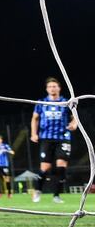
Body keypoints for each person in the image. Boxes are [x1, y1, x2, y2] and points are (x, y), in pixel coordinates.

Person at [31, 76, 77, 204]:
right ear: (47, 89)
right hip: (46, 138)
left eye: (54, 86)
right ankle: (38, 190)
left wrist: (74, 124)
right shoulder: (41, 103)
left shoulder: (66, 102)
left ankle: (56, 195)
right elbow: (34, 118)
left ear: (59, 88)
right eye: (50, 86)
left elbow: (75, 117)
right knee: (45, 167)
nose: (52, 88)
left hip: (63, 138)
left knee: (61, 167)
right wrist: (34, 133)